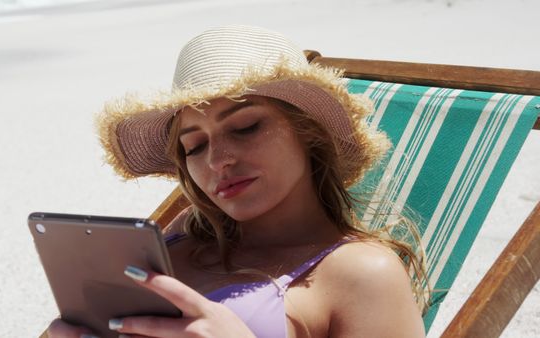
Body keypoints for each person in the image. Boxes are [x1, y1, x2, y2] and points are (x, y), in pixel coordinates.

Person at [48, 25, 429, 338]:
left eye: (246, 127)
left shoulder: (362, 273)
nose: (217, 160)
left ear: (308, 132)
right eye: (194, 146)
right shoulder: (185, 234)